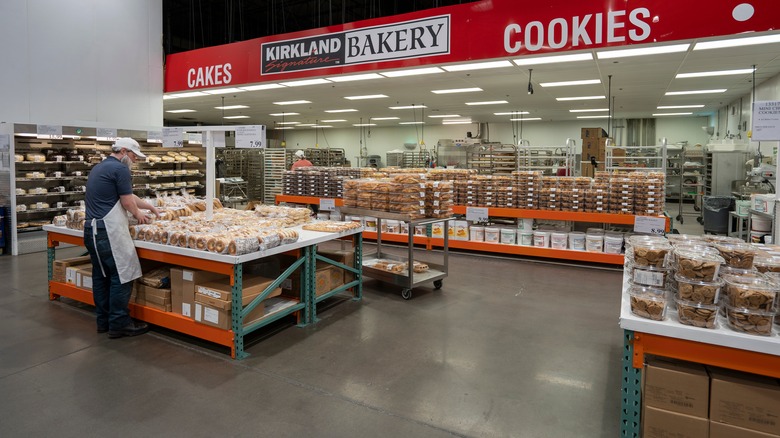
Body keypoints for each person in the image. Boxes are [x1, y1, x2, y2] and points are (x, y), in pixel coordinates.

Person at [84, 137, 160, 338]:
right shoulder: (120, 169)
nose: (134, 160)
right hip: (109, 232)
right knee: (122, 275)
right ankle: (119, 323)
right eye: (134, 156)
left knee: (101, 276)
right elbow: (127, 202)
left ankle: (104, 321)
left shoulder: (100, 167)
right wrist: (139, 215)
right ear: (124, 151)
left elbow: (126, 195)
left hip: (91, 230)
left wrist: (149, 206)